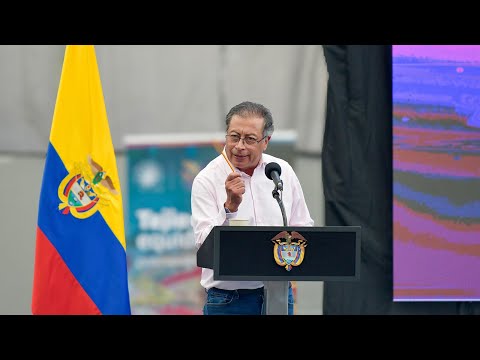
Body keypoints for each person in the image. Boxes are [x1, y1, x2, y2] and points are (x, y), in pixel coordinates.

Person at [190, 101, 314, 315]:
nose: (239, 146)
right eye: (234, 136)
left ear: (266, 141)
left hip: (279, 293)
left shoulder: (280, 172)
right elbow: (203, 245)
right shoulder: (207, 179)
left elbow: (302, 225)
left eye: (249, 139)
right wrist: (229, 208)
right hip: (229, 299)